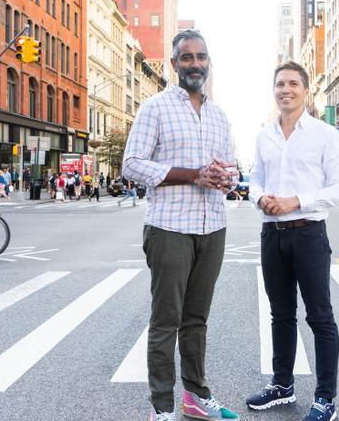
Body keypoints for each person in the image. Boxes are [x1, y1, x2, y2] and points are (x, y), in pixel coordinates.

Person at [122, 29, 239, 421]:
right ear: (174, 65)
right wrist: (194, 175)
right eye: (186, 57)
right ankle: (161, 406)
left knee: (197, 320)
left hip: (213, 227)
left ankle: (195, 395)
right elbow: (132, 164)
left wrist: (228, 177)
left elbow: (230, 168)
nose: (195, 64)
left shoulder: (220, 114)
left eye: (201, 57)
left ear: (208, 63)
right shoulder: (155, 108)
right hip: (169, 227)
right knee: (166, 321)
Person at [247, 61, 339, 421]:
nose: (285, 90)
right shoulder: (264, 135)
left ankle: (325, 398)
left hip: (308, 234)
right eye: (279, 84)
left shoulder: (324, 134)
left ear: (305, 91)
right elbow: (254, 179)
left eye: (292, 84)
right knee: (281, 314)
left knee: (320, 316)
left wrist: (295, 201)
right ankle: (282, 385)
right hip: (272, 235)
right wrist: (260, 198)